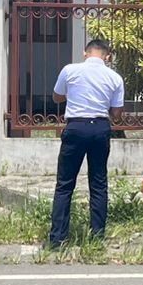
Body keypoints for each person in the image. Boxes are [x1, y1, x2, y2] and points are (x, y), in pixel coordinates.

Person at [47, 37, 125, 249]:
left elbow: (56, 97)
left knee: (64, 184)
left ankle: (57, 239)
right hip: (100, 128)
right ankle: (97, 237)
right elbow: (116, 114)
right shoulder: (114, 77)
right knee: (98, 183)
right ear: (107, 56)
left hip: (75, 127)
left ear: (85, 53)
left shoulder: (70, 70)